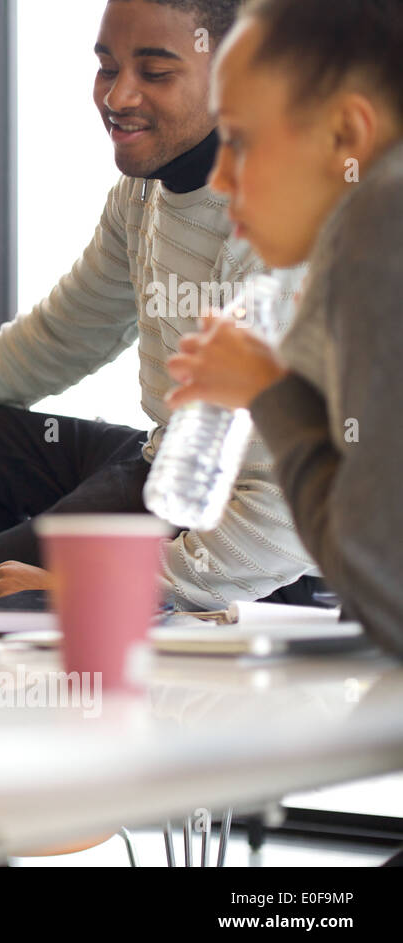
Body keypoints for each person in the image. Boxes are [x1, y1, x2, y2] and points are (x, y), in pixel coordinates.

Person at [0, 0, 322, 612]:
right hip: (166, 467)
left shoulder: (281, 224)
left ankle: (20, 612)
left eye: (155, 73)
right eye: (108, 67)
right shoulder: (140, 195)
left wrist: (94, 590)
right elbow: (59, 338)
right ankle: (10, 623)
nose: (118, 96)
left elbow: (284, 511)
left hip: (259, 538)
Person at [166, 0, 403, 655]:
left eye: (238, 140)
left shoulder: (381, 215)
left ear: (347, 137)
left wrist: (268, 391)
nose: (218, 176)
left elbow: (383, 586)